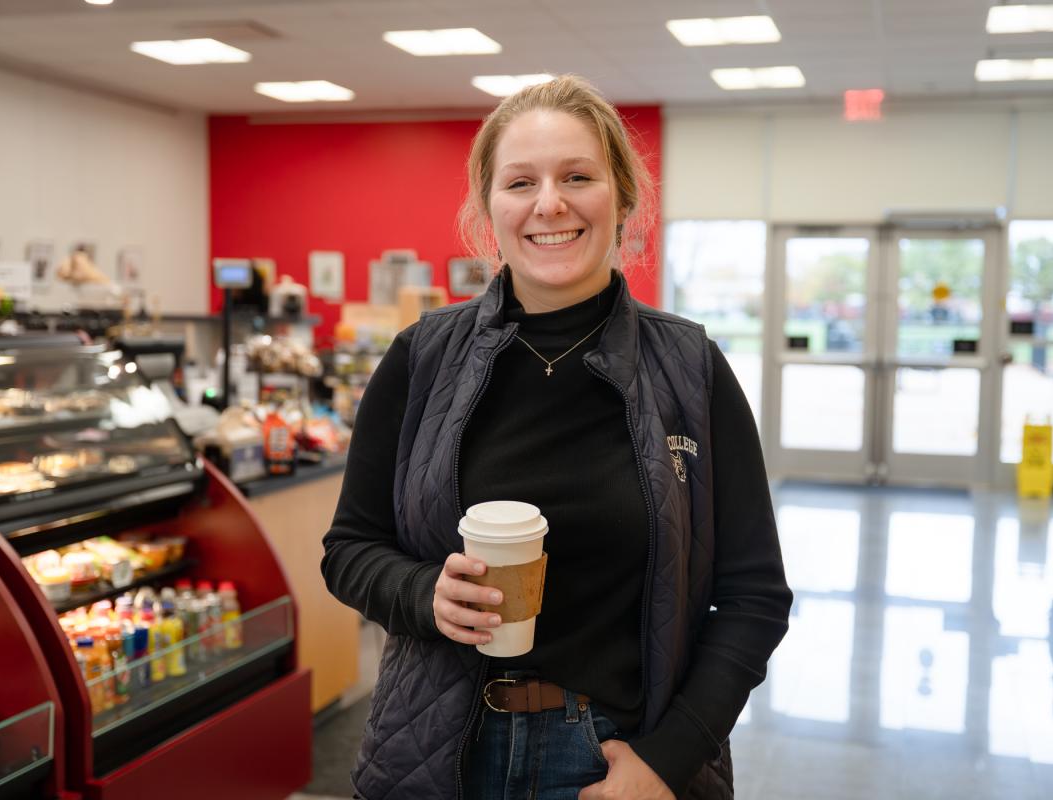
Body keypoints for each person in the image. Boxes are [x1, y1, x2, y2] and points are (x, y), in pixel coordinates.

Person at [321, 75, 792, 800]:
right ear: (489, 209)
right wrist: (424, 595)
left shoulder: (690, 368)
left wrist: (666, 762)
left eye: (578, 176)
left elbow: (754, 596)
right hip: (437, 756)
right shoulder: (422, 358)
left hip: (614, 757)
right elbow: (350, 550)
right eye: (520, 183)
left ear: (623, 198)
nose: (550, 203)